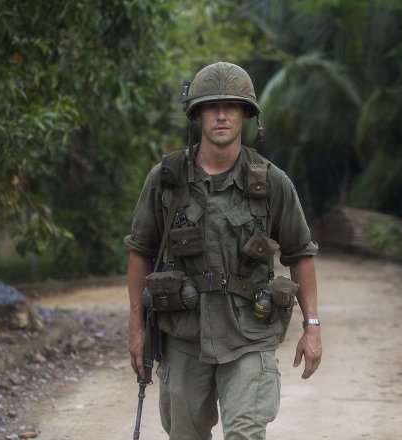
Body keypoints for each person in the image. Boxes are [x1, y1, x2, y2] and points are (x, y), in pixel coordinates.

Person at [124, 61, 321, 440]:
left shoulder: (272, 182)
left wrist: (312, 326)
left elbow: (301, 253)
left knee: (245, 433)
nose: (221, 115)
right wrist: (136, 327)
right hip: (184, 334)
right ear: (196, 115)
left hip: (249, 333)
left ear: (246, 114)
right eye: (211, 107)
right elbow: (140, 252)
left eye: (230, 106)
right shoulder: (166, 179)